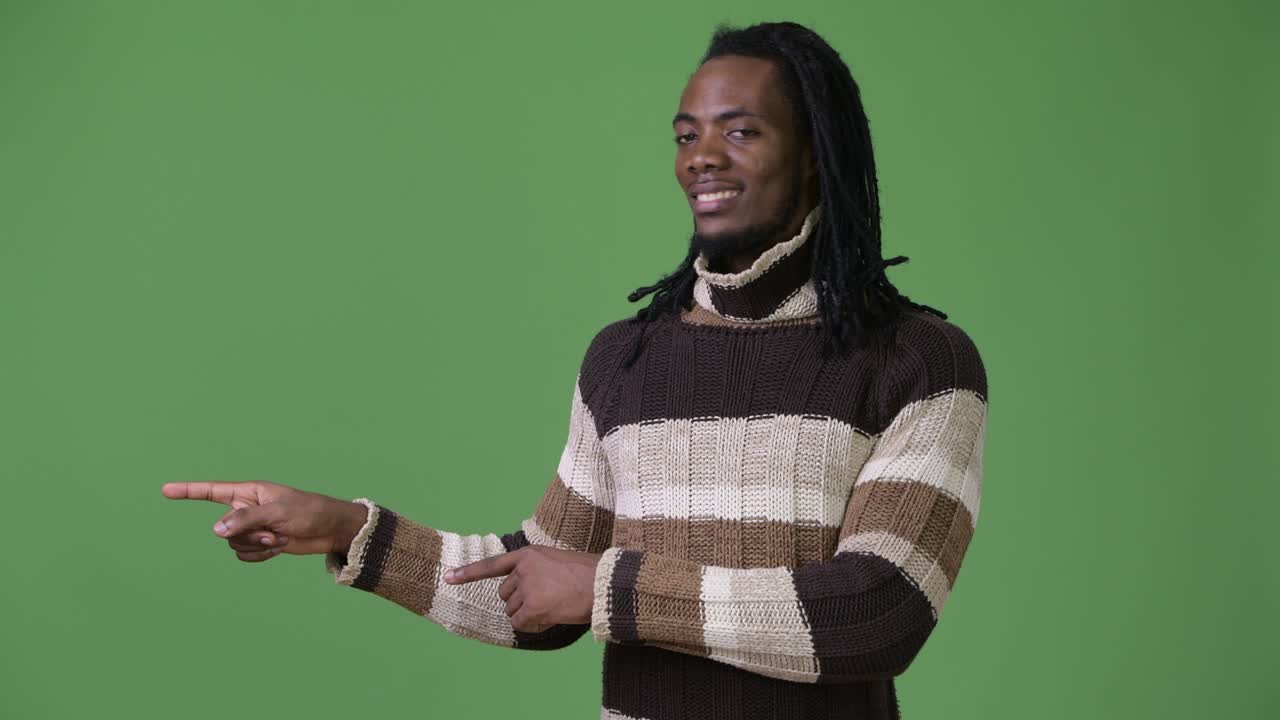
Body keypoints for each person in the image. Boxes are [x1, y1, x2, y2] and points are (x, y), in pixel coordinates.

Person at [162, 20, 988, 720]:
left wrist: (609, 588)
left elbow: (880, 612)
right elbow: (539, 590)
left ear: (814, 154)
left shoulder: (919, 362)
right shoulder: (627, 358)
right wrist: (350, 529)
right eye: (686, 135)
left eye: (741, 131)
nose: (702, 157)